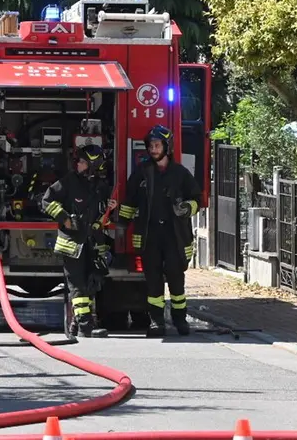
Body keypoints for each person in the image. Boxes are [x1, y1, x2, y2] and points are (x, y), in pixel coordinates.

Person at [118, 125, 202, 337]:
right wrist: (122, 223)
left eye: (157, 145)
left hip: (175, 235)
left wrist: (186, 208)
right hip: (150, 235)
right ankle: (156, 322)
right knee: (153, 280)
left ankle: (180, 319)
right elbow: (129, 201)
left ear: (167, 147)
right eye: (151, 146)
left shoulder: (180, 174)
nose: (153, 149)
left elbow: (197, 200)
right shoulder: (141, 173)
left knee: (176, 279)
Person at [42, 144, 115, 338]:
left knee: (91, 282)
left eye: (83, 162)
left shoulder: (101, 186)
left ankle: (76, 322)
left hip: (93, 242)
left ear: (94, 165)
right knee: (77, 284)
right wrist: (65, 218)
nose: (79, 165)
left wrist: (111, 207)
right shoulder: (69, 182)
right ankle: (85, 326)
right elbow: (47, 201)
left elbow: (106, 214)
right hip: (72, 243)